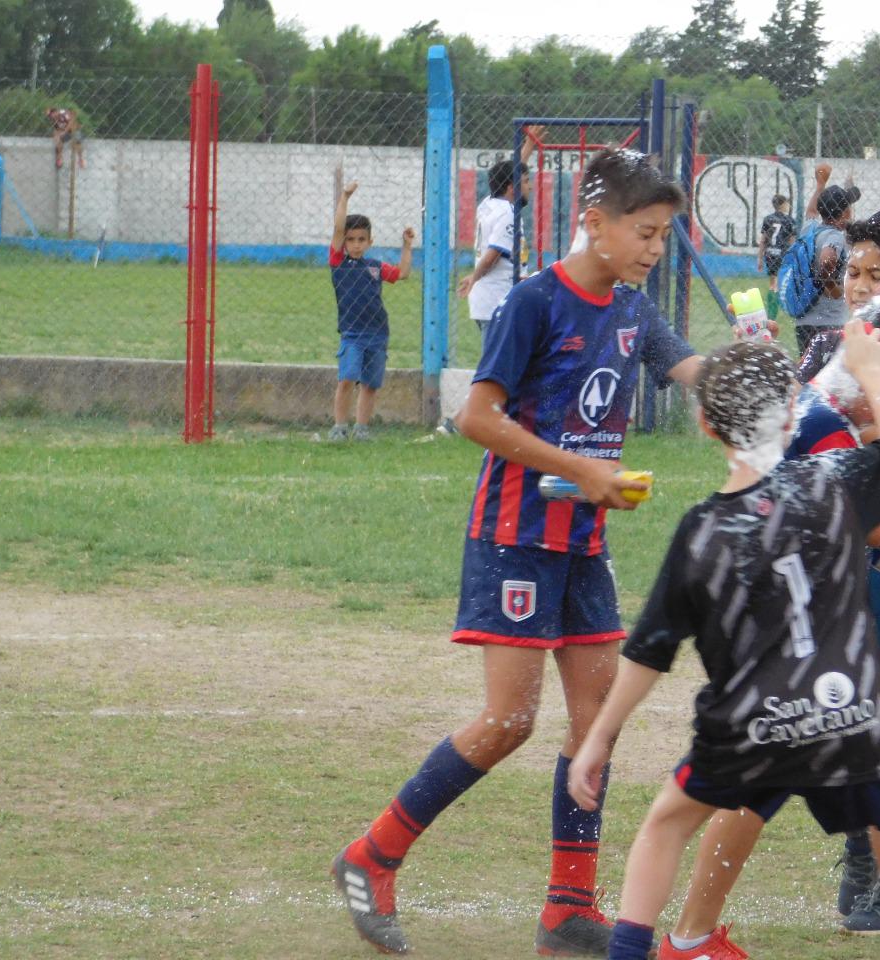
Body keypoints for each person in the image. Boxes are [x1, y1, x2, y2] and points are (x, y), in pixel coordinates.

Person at [330, 149, 704, 957]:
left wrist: (773, 365)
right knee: (509, 722)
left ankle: (568, 906)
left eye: (663, 235)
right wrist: (583, 470)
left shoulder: (633, 308)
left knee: (597, 726)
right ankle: (372, 854)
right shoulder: (535, 302)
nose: (654, 248)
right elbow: (477, 417)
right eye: (644, 232)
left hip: (583, 544)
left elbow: (694, 369)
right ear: (595, 224)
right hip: (516, 538)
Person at [570, 333, 880, 960]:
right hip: (853, 716)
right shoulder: (833, 480)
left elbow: (650, 651)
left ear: (706, 425)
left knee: (663, 828)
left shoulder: (701, 531)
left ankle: (645, 948)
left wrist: (599, 739)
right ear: (792, 415)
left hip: (752, 725)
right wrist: (870, 367)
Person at [662, 212, 880, 957]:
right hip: (817, 580)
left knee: (868, 744)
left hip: (879, 574)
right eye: (852, 272)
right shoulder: (834, 353)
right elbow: (803, 449)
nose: (858, 288)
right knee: (830, 754)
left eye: (878, 277)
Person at [326, 181, 414, 442]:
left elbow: (402, 273)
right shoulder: (338, 263)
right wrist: (345, 197)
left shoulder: (375, 266)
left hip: (378, 333)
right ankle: (339, 427)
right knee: (347, 379)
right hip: (352, 334)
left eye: (361, 240)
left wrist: (407, 246)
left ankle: (362, 428)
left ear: (370, 241)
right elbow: (338, 227)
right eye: (350, 239)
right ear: (343, 242)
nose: (356, 244)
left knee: (370, 384)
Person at [456, 129, 544, 332]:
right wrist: (474, 277)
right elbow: (493, 255)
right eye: (526, 182)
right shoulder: (507, 214)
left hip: (490, 302)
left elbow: (512, 173)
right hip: (497, 303)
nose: (530, 187)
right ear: (512, 188)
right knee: (498, 354)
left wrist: (529, 145)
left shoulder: (489, 203)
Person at [788, 168, 861, 355]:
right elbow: (827, 260)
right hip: (830, 323)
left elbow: (811, 210)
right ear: (845, 212)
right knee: (829, 371)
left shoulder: (809, 229)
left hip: (804, 322)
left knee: (807, 369)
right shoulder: (835, 236)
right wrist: (832, 287)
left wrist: (820, 185)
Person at [756, 193, 796, 322]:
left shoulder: (768, 219)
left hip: (770, 253)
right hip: (783, 254)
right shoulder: (789, 221)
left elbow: (763, 240)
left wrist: (760, 258)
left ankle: (771, 313)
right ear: (783, 205)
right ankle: (781, 308)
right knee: (782, 282)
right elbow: (792, 242)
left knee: (772, 283)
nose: (788, 205)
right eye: (787, 203)